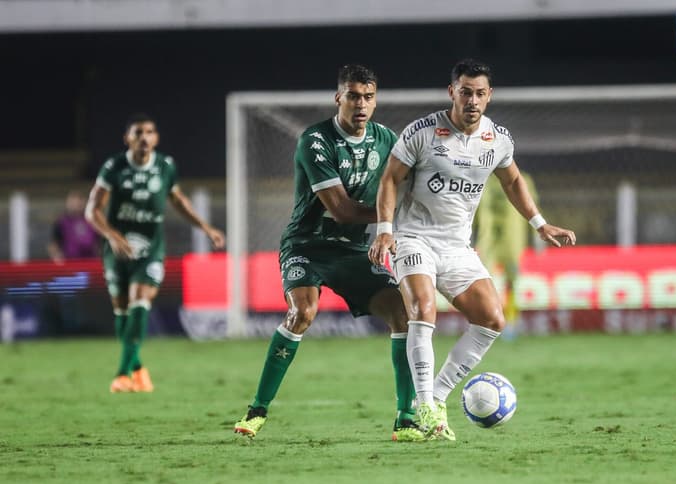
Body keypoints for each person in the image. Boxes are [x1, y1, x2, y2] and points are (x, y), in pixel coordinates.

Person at [368, 59, 576, 440]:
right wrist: (385, 230)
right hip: (414, 238)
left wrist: (540, 224)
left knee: (492, 319)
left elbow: (512, 181)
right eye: (465, 92)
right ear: (452, 92)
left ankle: (436, 397)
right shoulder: (422, 132)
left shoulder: (497, 139)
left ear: (489, 96)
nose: (473, 100)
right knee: (423, 310)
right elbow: (390, 179)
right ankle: (426, 408)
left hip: (457, 246)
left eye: (480, 93)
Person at [233, 64, 424, 442]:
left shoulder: (387, 139)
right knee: (303, 312)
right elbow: (343, 210)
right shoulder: (315, 140)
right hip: (307, 244)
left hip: (353, 250)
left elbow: (414, 180)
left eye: (369, 97)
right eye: (353, 96)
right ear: (339, 98)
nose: (361, 105)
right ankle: (258, 409)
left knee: (403, 313)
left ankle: (406, 418)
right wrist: (397, 217)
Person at [85, 113, 225, 393]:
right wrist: (113, 236)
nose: (144, 138)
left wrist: (206, 228)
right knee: (122, 312)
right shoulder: (114, 167)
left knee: (139, 301)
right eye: (138, 133)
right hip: (118, 249)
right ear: (128, 138)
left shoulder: (165, 166)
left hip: (150, 249)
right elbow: (92, 210)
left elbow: (178, 200)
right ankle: (138, 369)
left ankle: (123, 374)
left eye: (149, 132)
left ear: (156, 138)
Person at [473, 171, 540, 338]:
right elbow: (472, 209)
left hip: (512, 240)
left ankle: (510, 321)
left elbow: (531, 206)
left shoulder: (522, 178)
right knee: (484, 282)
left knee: (511, 283)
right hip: (489, 240)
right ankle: (487, 321)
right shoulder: (481, 178)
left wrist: (538, 236)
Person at [48, 190, 98, 263]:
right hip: (69, 263)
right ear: (68, 203)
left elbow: (99, 243)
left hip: (89, 262)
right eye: (74, 201)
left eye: (79, 201)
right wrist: (57, 258)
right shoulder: (61, 222)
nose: (77, 204)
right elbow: (53, 244)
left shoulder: (92, 220)